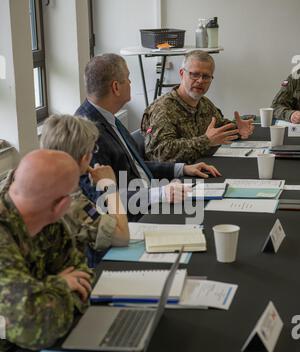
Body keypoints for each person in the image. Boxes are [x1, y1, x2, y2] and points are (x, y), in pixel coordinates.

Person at [75, 54, 221, 215]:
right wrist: (162, 193)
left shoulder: (108, 118)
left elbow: (135, 167)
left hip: (151, 197)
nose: (131, 83)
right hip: (136, 216)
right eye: (128, 78)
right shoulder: (87, 133)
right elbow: (103, 199)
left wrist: (182, 169)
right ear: (116, 87)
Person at [0, 150, 93, 352]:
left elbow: (83, 280)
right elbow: (34, 329)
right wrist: (59, 284)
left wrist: (42, 294)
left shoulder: (51, 225)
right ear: (63, 204)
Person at [40, 114, 129, 266]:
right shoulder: (70, 200)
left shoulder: (26, 179)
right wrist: (110, 187)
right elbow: (122, 237)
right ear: (84, 158)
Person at [141, 50, 254, 164]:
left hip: (204, 168)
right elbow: (160, 153)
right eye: (194, 74)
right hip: (177, 179)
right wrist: (206, 141)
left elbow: (218, 129)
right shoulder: (163, 109)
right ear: (181, 74)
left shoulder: (204, 103)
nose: (200, 81)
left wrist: (237, 129)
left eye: (206, 76)